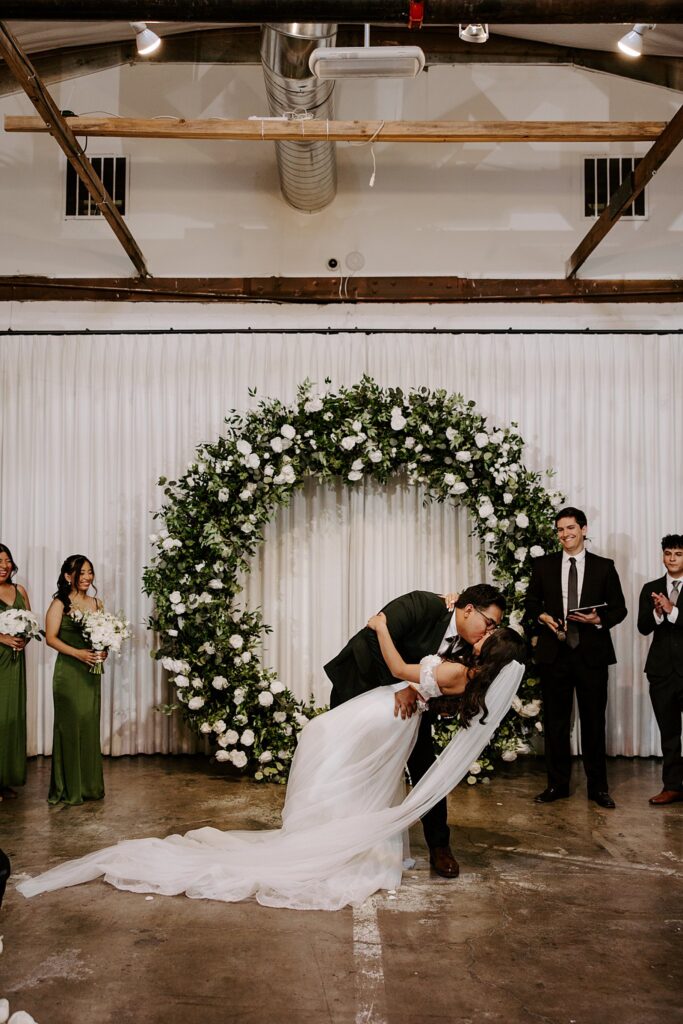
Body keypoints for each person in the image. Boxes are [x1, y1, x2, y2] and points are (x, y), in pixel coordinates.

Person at [17, 617, 526, 910]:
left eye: (490, 632)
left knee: (322, 737)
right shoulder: (471, 676)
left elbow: (396, 667)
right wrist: (419, 689)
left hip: (385, 709)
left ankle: (315, 833)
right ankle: (331, 830)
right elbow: (430, 688)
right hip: (399, 713)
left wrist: (381, 627)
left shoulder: (461, 665)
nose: (482, 631)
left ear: (490, 648)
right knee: (348, 766)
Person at [324, 584, 506, 878]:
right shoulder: (422, 604)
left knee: (423, 764)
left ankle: (440, 846)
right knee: (349, 760)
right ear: (470, 610)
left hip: (413, 704)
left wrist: (423, 695)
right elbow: (374, 634)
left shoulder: (471, 646)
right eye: (489, 624)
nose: (488, 633)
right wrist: (400, 687)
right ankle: (336, 837)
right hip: (361, 683)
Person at [526, 507, 627, 809]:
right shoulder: (543, 565)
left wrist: (597, 619)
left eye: (570, 528)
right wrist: (542, 615)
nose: (565, 534)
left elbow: (619, 609)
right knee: (556, 724)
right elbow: (531, 602)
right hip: (554, 653)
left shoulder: (604, 566)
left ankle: (598, 788)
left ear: (584, 529)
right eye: (559, 529)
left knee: (594, 723)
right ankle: (557, 785)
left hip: (591, 655)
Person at [45, 555, 107, 805]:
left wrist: (104, 651)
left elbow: (104, 636)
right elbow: (51, 638)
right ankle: (68, 788)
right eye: (81, 573)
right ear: (68, 576)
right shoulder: (60, 603)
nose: (87, 578)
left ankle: (90, 787)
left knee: (89, 726)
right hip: (69, 672)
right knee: (70, 728)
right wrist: (78, 653)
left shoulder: (97, 603)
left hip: (91, 672)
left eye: (89, 572)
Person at [637, 534, 683, 806]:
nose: (672, 558)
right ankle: (673, 786)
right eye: (668, 553)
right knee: (669, 734)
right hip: (661, 672)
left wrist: (672, 610)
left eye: (678, 553)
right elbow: (643, 627)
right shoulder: (651, 587)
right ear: (662, 555)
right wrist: (657, 612)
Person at [0, 543, 32, 802]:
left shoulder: (20, 590)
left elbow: (29, 624)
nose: (4, 566)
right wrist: (1, 637)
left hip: (15, 661)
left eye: (7, 560)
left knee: (12, 717)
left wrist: (23, 639)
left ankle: (5, 777)